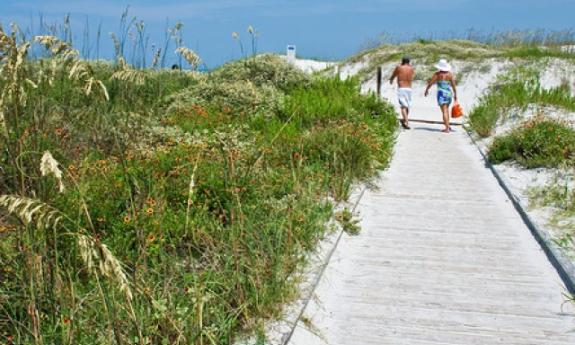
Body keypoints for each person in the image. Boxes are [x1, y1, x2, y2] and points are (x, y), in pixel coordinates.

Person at [424, 59, 458, 133]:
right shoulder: (450, 74)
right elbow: (453, 85)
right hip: (449, 93)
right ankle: (448, 126)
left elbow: (431, 83)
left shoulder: (437, 74)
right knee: (446, 110)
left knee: (444, 111)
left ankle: (447, 128)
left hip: (441, 94)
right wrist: (455, 94)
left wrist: (427, 90)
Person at [389, 56, 415, 129]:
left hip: (402, 88)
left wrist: (391, 80)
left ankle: (407, 122)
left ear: (402, 61)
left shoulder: (399, 67)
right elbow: (412, 75)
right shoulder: (411, 68)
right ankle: (404, 120)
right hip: (409, 88)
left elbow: (394, 74)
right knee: (407, 105)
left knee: (403, 106)